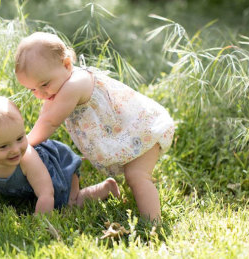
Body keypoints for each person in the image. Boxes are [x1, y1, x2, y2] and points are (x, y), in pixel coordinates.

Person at [14, 32, 175, 221]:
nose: (40, 93)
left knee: (137, 176)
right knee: (133, 175)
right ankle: (108, 188)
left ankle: (153, 223)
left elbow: (49, 121)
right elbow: (45, 116)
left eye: (44, 84)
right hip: (127, 134)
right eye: (32, 89)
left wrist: (24, 145)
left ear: (67, 65)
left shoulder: (74, 84)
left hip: (143, 129)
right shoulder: (58, 85)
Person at [0, 96, 120, 216]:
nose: (16, 150)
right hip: (33, 187)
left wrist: (40, 222)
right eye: (3, 146)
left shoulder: (28, 158)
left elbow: (46, 193)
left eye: (20, 138)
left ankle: (105, 188)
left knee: (68, 205)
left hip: (58, 169)